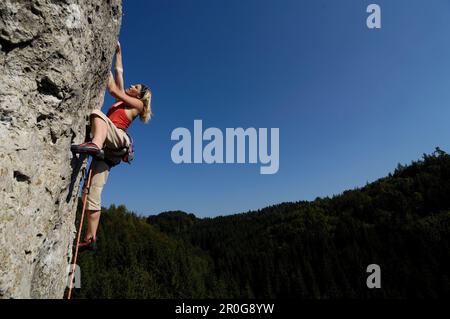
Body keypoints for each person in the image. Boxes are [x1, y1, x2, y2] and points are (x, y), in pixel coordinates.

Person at [71, 42, 152, 250]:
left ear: (140, 95)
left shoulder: (138, 105)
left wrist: (102, 61)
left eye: (135, 87)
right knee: (91, 193)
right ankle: (91, 238)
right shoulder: (124, 100)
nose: (131, 86)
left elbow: (114, 89)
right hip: (108, 151)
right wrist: (118, 52)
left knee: (96, 114)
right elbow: (119, 75)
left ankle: (94, 144)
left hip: (116, 139)